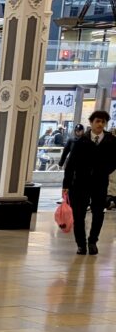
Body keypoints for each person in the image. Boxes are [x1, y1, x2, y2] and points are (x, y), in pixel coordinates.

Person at [64, 110, 116, 256]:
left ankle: (93, 241)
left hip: (100, 183)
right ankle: (81, 244)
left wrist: (105, 170)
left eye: (103, 122)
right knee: (79, 214)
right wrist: (66, 185)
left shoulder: (111, 141)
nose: (100, 124)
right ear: (91, 123)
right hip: (80, 183)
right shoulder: (81, 140)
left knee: (98, 213)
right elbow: (71, 164)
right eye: (97, 121)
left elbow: (114, 161)